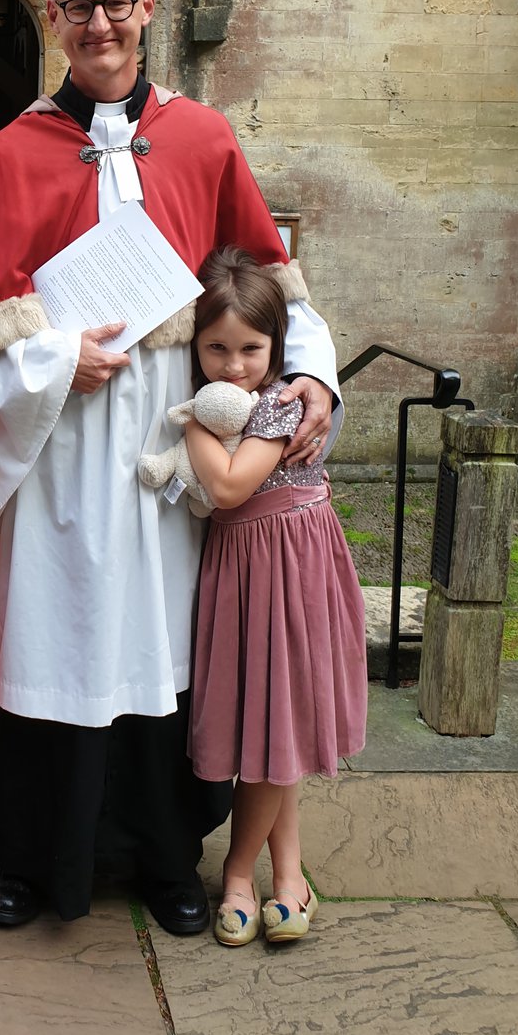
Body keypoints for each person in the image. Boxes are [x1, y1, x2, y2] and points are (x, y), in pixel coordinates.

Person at [0, 0, 342, 935]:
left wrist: (312, 370)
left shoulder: (200, 136)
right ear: (52, 21)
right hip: (53, 444)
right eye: (77, 7)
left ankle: (165, 858)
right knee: (50, 632)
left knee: (161, 637)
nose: (99, 23)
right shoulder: (13, 151)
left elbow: (271, 279)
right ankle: (30, 858)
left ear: (147, 8)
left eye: (116, 3)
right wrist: (62, 363)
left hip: (168, 435)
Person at [184, 246, 367, 945]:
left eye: (251, 349)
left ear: (277, 346)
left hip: (289, 565)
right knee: (270, 720)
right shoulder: (238, 398)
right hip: (245, 565)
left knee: (279, 713)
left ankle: (237, 870)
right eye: (217, 349)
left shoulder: (284, 404)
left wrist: (193, 424)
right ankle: (288, 871)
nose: (234, 365)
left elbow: (229, 486)